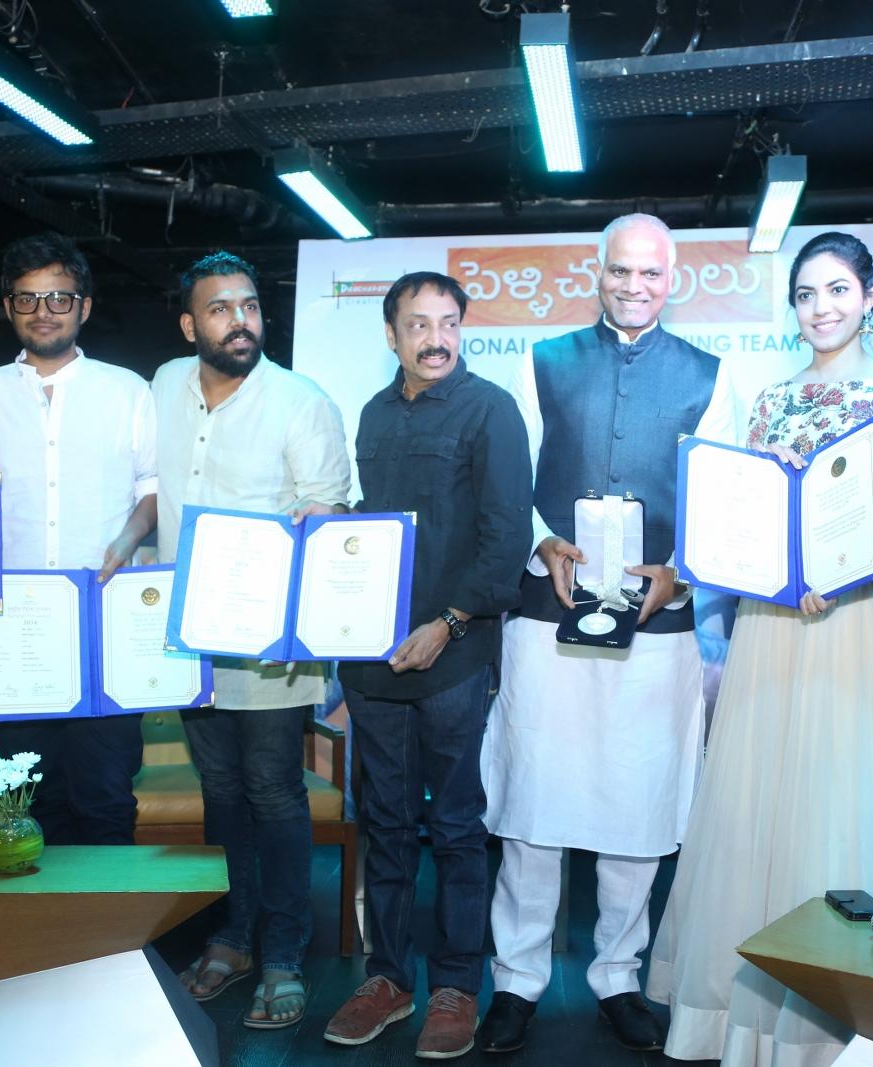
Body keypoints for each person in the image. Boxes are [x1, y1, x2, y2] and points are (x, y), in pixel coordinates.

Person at [645, 231, 873, 1065]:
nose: (821, 308)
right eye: (806, 294)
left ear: (870, 296)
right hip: (776, 620)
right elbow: (750, 513)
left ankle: (851, 1028)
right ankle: (748, 1020)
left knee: (845, 790)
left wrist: (847, 573)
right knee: (763, 796)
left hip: (858, 619)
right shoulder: (772, 401)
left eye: (837, 290)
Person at [478, 213, 738, 1055]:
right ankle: (516, 980)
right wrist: (540, 540)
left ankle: (618, 976)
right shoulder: (540, 361)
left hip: (657, 624)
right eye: (621, 271)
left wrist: (684, 570)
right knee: (533, 803)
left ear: (673, 279)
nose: (634, 286)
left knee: (639, 803)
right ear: (597, 272)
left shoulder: (711, 376)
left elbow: (726, 500)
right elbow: (506, 481)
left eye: (650, 273)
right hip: (545, 617)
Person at [323, 272, 533, 1059]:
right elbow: (378, 530)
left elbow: (506, 540)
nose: (435, 338)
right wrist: (330, 528)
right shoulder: (374, 414)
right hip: (373, 658)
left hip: (453, 656)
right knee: (384, 823)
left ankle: (455, 987)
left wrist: (446, 624)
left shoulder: (492, 410)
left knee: (454, 826)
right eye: (418, 324)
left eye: (447, 322)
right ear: (392, 334)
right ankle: (387, 978)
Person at [153, 251, 350, 1029]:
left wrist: (321, 523)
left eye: (250, 305)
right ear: (189, 325)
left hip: (272, 645)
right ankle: (232, 937)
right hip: (190, 641)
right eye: (220, 308)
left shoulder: (302, 401)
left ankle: (284, 954)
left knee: (272, 791)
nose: (240, 321)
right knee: (222, 792)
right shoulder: (163, 386)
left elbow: (330, 512)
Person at [0, 232, 157, 845]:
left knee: (107, 796)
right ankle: (47, 913)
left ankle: (111, 914)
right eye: (27, 299)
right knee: (30, 797)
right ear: (8, 307)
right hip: (9, 624)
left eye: (59, 298)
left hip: (104, 619)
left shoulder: (127, 390)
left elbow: (152, 489)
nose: (44, 312)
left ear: (84, 306)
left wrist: (129, 537)